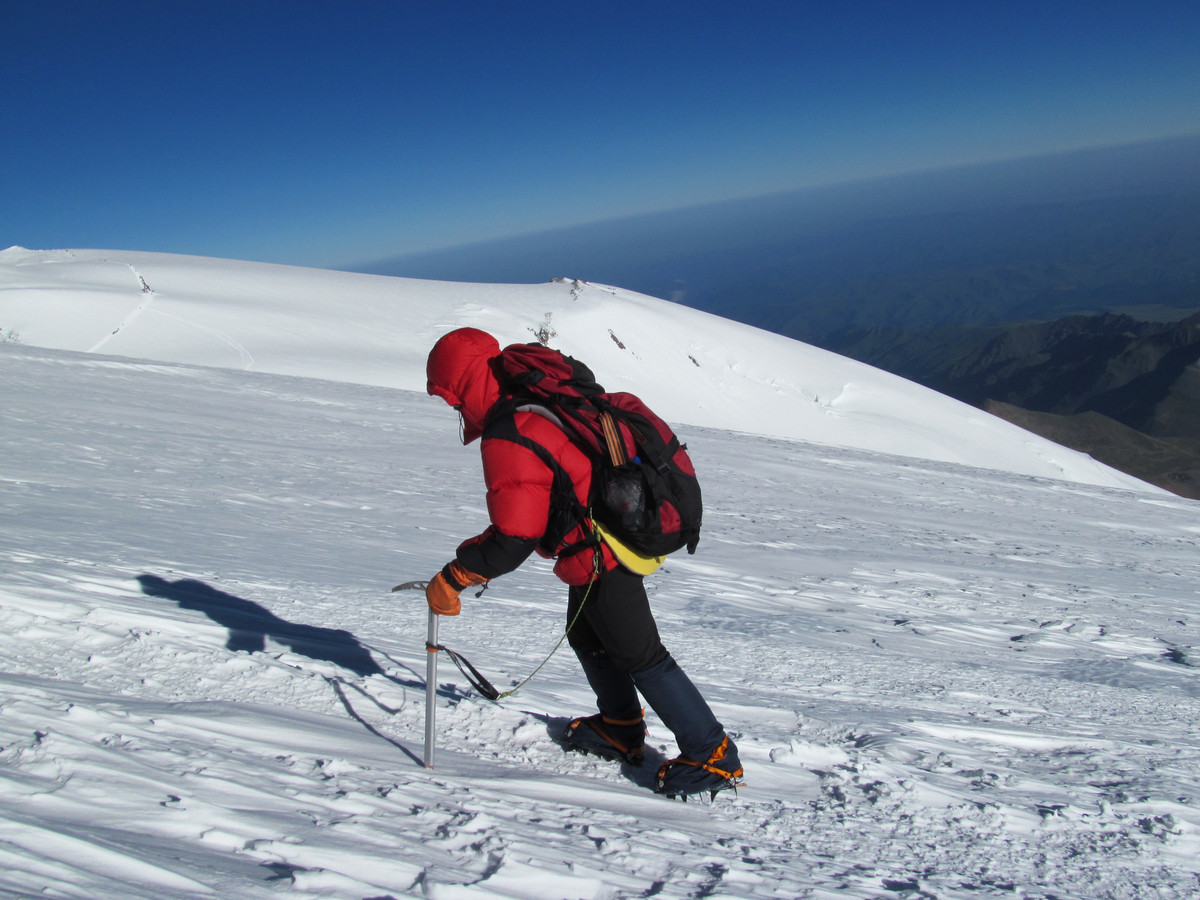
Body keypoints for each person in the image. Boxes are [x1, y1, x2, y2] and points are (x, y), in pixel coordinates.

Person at [423, 327, 743, 797]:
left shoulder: (511, 429)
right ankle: (620, 725)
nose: (454, 409)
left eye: (452, 398)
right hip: (596, 543)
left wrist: (455, 576)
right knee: (586, 634)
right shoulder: (534, 401)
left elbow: (515, 535)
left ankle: (713, 755)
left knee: (642, 655)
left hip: (603, 552)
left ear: (464, 384)